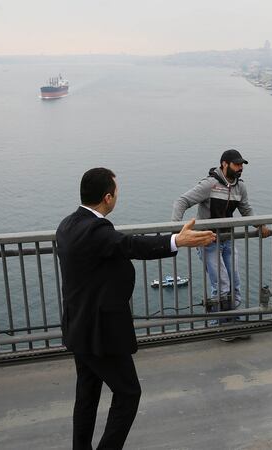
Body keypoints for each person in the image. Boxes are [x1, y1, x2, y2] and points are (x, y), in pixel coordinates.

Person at [56, 167, 215, 449]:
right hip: (100, 333)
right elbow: (130, 245)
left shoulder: (67, 225)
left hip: (78, 327)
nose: (117, 195)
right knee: (128, 393)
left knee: (87, 395)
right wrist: (176, 240)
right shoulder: (96, 229)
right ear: (107, 198)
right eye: (116, 191)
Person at [171, 149, 270, 329]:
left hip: (228, 240)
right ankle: (218, 325)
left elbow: (246, 209)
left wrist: (260, 226)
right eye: (237, 164)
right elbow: (182, 201)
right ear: (224, 164)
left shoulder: (240, 187)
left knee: (235, 285)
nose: (240, 168)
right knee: (222, 285)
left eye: (242, 165)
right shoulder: (210, 185)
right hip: (208, 242)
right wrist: (176, 230)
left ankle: (231, 321)